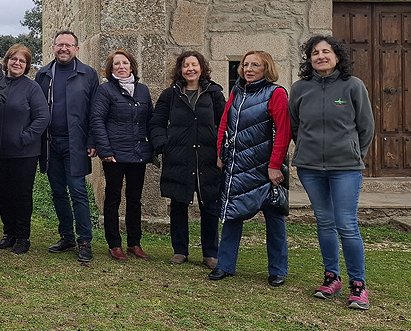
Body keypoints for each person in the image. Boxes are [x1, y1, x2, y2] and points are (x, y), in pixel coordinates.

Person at [290, 35, 374, 310]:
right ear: (309, 59)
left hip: (345, 169)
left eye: (326, 52)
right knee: (324, 223)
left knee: (346, 225)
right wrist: (305, 148)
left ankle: (358, 285)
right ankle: (331, 277)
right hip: (310, 168)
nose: (320, 56)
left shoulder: (353, 86)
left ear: (337, 57)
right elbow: (294, 126)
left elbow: (366, 127)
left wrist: (354, 154)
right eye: (315, 53)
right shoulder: (300, 88)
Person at [210, 50, 292, 286]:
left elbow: (283, 132)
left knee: (274, 217)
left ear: (266, 68)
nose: (248, 69)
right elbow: (225, 124)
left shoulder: (276, 94)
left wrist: (275, 166)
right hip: (238, 166)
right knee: (232, 214)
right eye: (245, 64)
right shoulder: (237, 91)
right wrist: (220, 153)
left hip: (266, 169)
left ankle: (278, 270)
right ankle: (224, 264)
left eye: (255, 65)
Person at [149, 51, 225, 268]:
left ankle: (210, 253)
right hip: (179, 156)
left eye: (194, 65)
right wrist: (164, 144)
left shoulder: (214, 94)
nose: (190, 69)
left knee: (209, 205)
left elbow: (224, 124)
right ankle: (180, 250)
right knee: (178, 204)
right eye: (186, 65)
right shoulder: (169, 95)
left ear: (202, 68)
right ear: (180, 70)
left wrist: (221, 151)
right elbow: (156, 123)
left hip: (208, 157)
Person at [34, 30, 99, 262]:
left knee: (78, 191)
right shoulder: (42, 74)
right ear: (53, 48)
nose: (63, 49)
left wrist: (93, 140)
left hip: (77, 144)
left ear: (76, 49)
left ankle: (84, 240)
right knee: (58, 192)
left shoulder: (88, 74)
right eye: (59, 45)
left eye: (68, 45)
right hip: (51, 144)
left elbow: (95, 111)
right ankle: (66, 236)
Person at [90, 49, 152, 262]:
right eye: (116, 64)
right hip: (114, 154)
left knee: (135, 199)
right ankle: (114, 244)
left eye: (125, 62)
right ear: (111, 69)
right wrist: (105, 151)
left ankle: (134, 243)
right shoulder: (105, 90)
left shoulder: (143, 91)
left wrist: (151, 148)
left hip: (138, 153)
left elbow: (148, 120)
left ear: (132, 66)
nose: (121, 66)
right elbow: (97, 120)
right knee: (113, 198)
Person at [0, 44, 49, 255]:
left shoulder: (32, 88)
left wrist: (24, 138)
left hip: (24, 152)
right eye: (13, 59)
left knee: (22, 194)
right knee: (3, 193)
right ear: (7, 61)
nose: (17, 63)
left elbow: (43, 117)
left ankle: (23, 237)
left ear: (26, 66)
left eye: (22, 61)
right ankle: (8, 233)